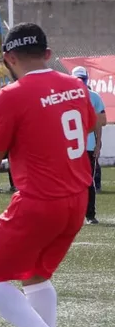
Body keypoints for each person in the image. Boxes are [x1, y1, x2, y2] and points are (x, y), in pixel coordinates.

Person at [0, 23, 95, 327]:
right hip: (76, 200)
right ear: (48, 53)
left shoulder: (11, 95)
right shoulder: (75, 86)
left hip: (38, 200)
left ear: (9, 59)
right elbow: (89, 125)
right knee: (36, 275)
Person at [71, 66, 106, 224]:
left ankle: (90, 214)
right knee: (68, 182)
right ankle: (71, 214)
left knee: (87, 182)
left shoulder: (94, 97)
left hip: (88, 146)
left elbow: (100, 123)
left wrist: (98, 144)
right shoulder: (65, 97)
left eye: (82, 80)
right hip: (69, 148)